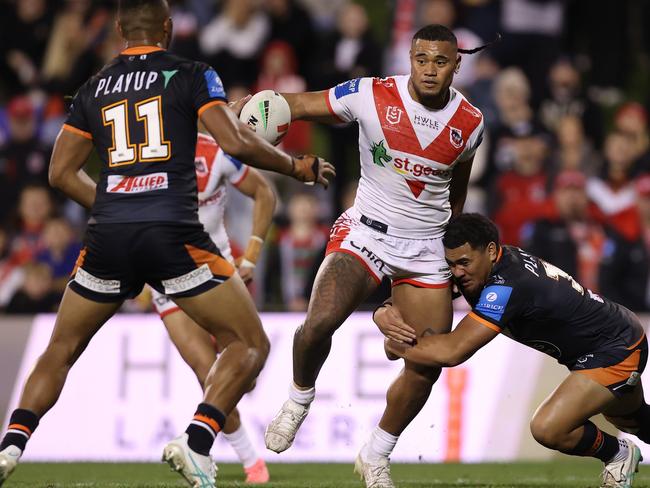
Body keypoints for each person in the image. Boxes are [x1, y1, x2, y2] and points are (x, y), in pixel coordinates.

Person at [0, 1, 334, 487]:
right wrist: (295, 167)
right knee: (250, 344)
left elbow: (58, 172)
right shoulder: (192, 73)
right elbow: (236, 142)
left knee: (61, 348)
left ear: (118, 30)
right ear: (169, 29)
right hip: (173, 234)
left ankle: (11, 445)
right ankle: (198, 442)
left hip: (110, 234)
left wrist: (114, 201)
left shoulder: (95, 86)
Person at [264, 24, 486, 487]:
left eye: (440, 62)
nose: (429, 70)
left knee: (427, 364)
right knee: (319, 322)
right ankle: (299, 398)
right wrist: (248, 110)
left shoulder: (471, 124)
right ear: (409, 57)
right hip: (366, 232)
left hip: (426, 248)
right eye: (421, 59)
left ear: (456, 65)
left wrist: (450, 250)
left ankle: (376, 454)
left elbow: (456, 194)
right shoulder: (369, 93)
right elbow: (298, 105)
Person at [378, 213, 648, 488]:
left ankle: (617, 454)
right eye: (451, 264)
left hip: (617, 346)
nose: (457, 272)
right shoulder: (486, 269)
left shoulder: (508, 284)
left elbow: (453, 351)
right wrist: (383, 311)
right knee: (636, 421)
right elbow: (422, 295)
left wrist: (397, 344)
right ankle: (623, 446)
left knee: (548, 428)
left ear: (491, 251)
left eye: (463, 263)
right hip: (607, 339)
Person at [151, 131, 275, 483]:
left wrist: (250, 256)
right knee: (209, 375)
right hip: (168, 281)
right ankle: (250, 462)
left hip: (216, 274)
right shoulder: (144, 154)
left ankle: (214, 449)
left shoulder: (217, 150)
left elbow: (264, 192)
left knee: (243, 375)